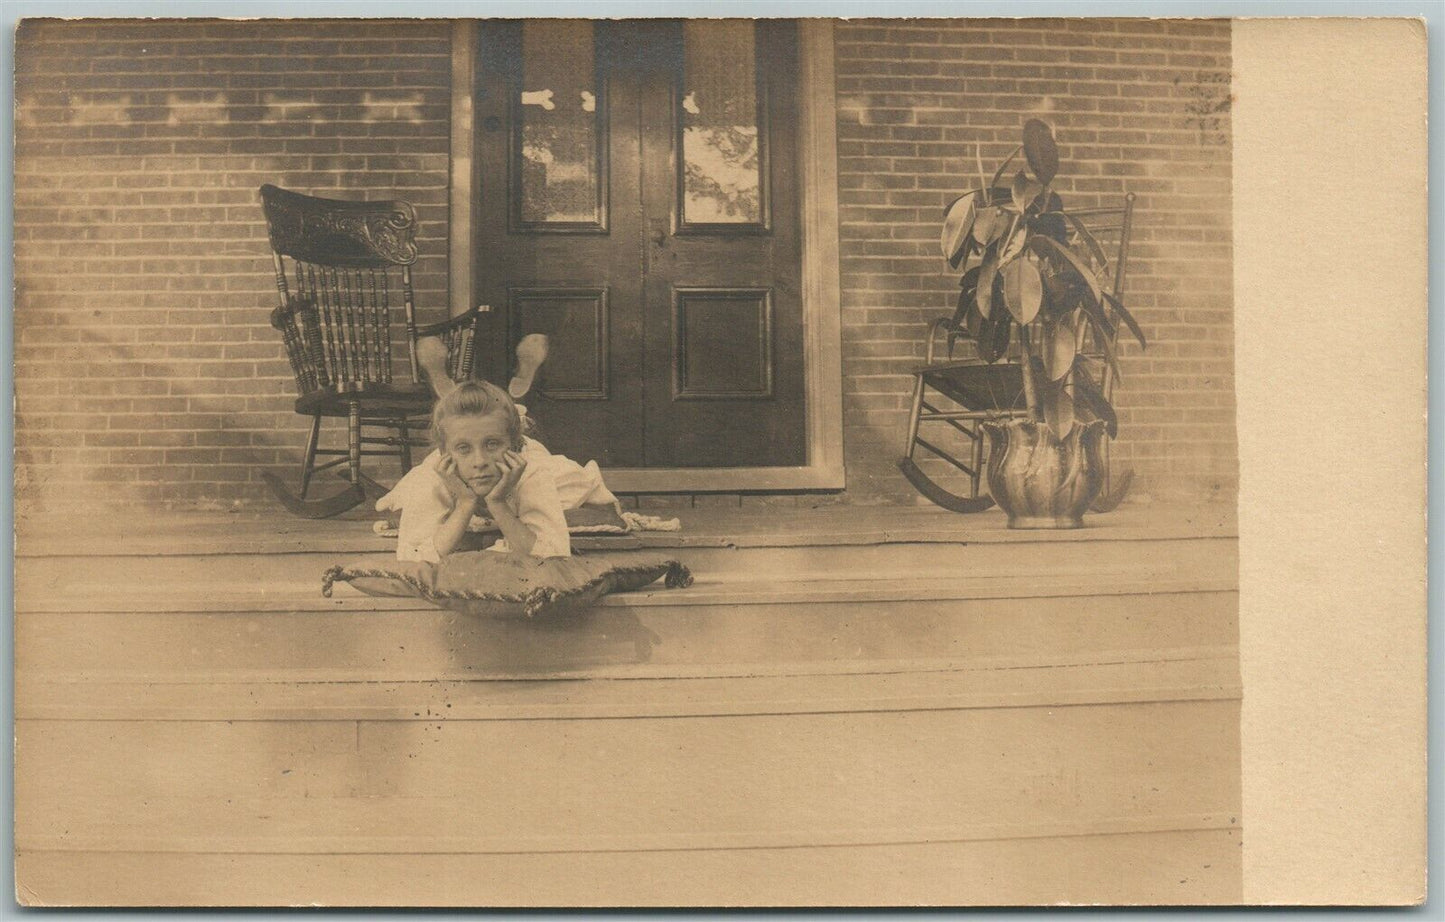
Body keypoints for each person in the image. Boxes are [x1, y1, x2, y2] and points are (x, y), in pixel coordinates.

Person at [378, 377, 619, 563]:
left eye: (492, 444)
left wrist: (498, 504)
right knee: (405, 500)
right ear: (444, 453)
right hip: (447, 484)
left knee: (574, 486)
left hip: (527, 474)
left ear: (514, 446)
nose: (479, 461)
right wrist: (464, 503)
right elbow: (413, 556)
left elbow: (553, 555)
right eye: (463, 448)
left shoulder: (530, 470)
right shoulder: (431, 475)